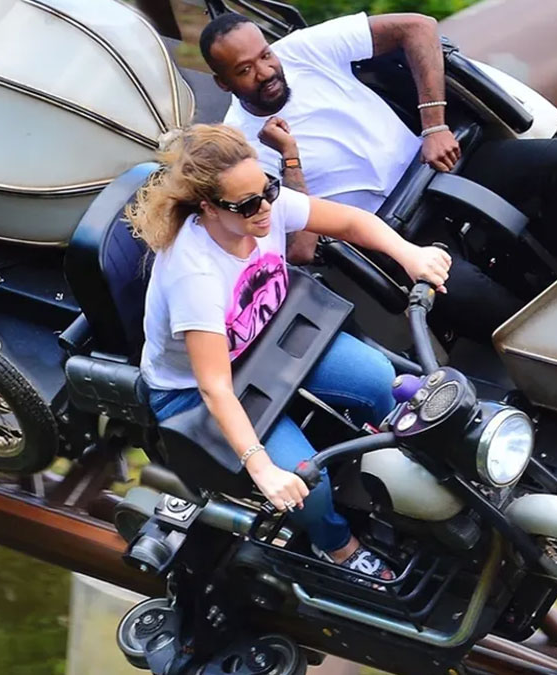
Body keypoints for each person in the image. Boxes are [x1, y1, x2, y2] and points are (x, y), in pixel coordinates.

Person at [129, 124, 451, 583]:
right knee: (306, 487)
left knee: (379, 378)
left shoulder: (263, 206)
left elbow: (351, 222)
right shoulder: (194, 276)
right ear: (209, 207)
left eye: (268, 190)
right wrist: (261, 468)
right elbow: (215, 387)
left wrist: (409, 254)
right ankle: (336, 545)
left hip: (269, 336)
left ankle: (407, 462)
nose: (265, 209)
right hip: (196, 392)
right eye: (247, 205)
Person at [199, 11, 557, 340]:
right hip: (391, 230)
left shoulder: (302, 50)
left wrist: (434, 124)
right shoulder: (240, 148)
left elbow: (418, 27)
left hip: (435, 164)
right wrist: (290, 157)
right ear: (223, 82)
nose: (266, 72)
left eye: (265, 55)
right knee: (467, 295)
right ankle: (550, 341)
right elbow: (301, 249)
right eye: (245, 70)